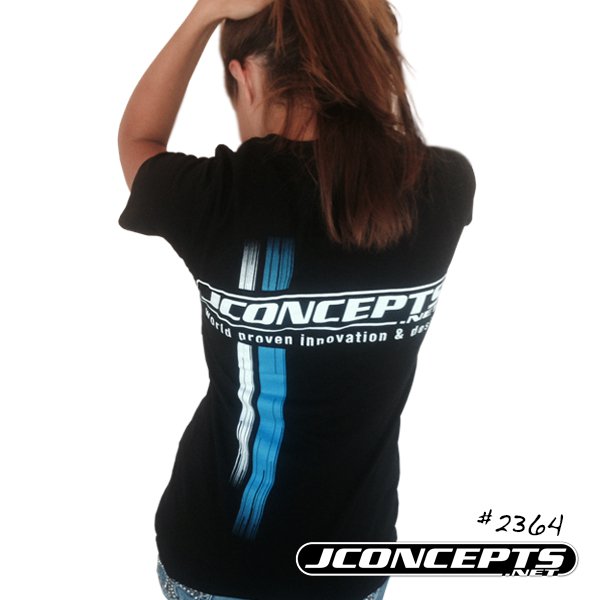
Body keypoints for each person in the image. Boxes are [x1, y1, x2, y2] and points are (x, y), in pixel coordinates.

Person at [117, 0, 476, 599]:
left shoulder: (216, 198)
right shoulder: (443, 187)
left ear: (246, 76)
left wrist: (203, 14)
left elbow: (138, 137)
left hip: (214, 558)